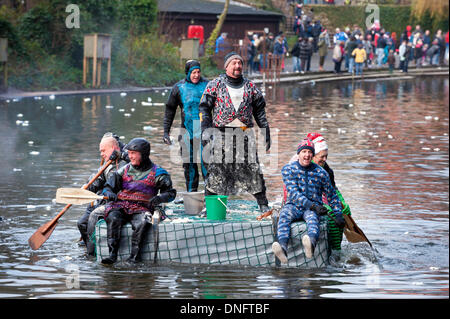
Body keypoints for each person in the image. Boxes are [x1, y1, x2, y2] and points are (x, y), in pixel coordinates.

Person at [199, 52, 271, 214]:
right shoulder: (215, 85)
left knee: (252, 169)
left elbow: (260, 112)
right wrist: (205, 130)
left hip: (244, 135)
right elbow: (204, 108)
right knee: (216, 171)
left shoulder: (251, 87)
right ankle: (209, 205)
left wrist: (266, 131)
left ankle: (263, 203)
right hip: (220, 134)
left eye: (240, 63)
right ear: (226, 67)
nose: (237, 66)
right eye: (234, 63)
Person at [101, 138, 176, 264]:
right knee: (113, 217)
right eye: (129, 153)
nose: (130, 157)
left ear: (144, 154)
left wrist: (159, 198)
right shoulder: (123, 170)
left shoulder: (158, 173)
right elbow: (108, 187)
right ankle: (112, 254)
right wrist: (109, 193)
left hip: (143, 207)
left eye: (133, 153)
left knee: (142, 222)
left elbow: (170, 193)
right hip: (122, 204)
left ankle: (134, 257)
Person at [272, 138, 345, 263]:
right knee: (284, 216)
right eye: (304, 152)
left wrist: (338, 214)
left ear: (313, 154)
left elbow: (332, 195)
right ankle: (282, 249)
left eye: (310, 152)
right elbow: (293, 193)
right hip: (293, 206)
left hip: (312, 208)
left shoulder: (321, 172)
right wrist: (312, 205)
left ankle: (310, 244)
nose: (307, 155)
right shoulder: (288, 169)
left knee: (313, 220)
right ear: (298, 154)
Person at [77, 133, 127, 256]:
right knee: (81, 223)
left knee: (92, 218)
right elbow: (98, 180)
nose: (101, 154)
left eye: (104, 150)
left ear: (114, 149)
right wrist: (87, 187)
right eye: (100, 151)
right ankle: (90, 247)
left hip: (115, 203)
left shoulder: (126, 164)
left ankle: (91, 251)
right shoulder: (107, 164)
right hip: (102, 200)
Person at [163, 60, 209, 192]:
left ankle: (210, 197)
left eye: (198, 72)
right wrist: (166, 132)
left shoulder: (208, 86)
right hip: (186, 131)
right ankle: (191, 195)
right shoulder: (179, 88)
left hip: (205, 130)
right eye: (193, 72)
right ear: (187, 73)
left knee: (207, 165)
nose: (196, 75)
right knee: (189, 166)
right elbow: (170, 110)